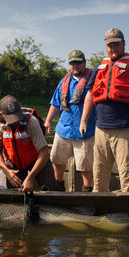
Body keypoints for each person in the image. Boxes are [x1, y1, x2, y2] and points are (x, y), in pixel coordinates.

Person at [80, 28, 129, 192]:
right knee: (99, 172)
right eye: (110, 45)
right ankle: (100, 206)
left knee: (128, 172)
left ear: (124, 43)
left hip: (125, 130)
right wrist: (84, 121)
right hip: (101, 130)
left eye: (116, 45)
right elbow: (90, 95)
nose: (113, 49)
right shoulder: (100, 67)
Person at [44, 49, 96, 192]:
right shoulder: (64, 81)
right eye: (72, 63)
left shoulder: (93, 80)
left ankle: (87, 189)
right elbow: (55, 103)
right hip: (64, 128)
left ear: (84, 63)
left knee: (85, 166)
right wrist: (48, 120)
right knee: (57, 160)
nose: (75, 65)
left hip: (84, 131)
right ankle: (59, 186)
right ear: (69, 65)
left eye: (78, 62)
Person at [0, 95, 62, 192]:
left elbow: (44, 153)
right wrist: (6, 171)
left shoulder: (31, 121)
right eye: (11, 118)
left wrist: (30, 177)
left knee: (50, 189)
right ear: (1, 114)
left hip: (37, 159)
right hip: (14, 162)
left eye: (16, 117)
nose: (15, 121)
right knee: (14, 191)